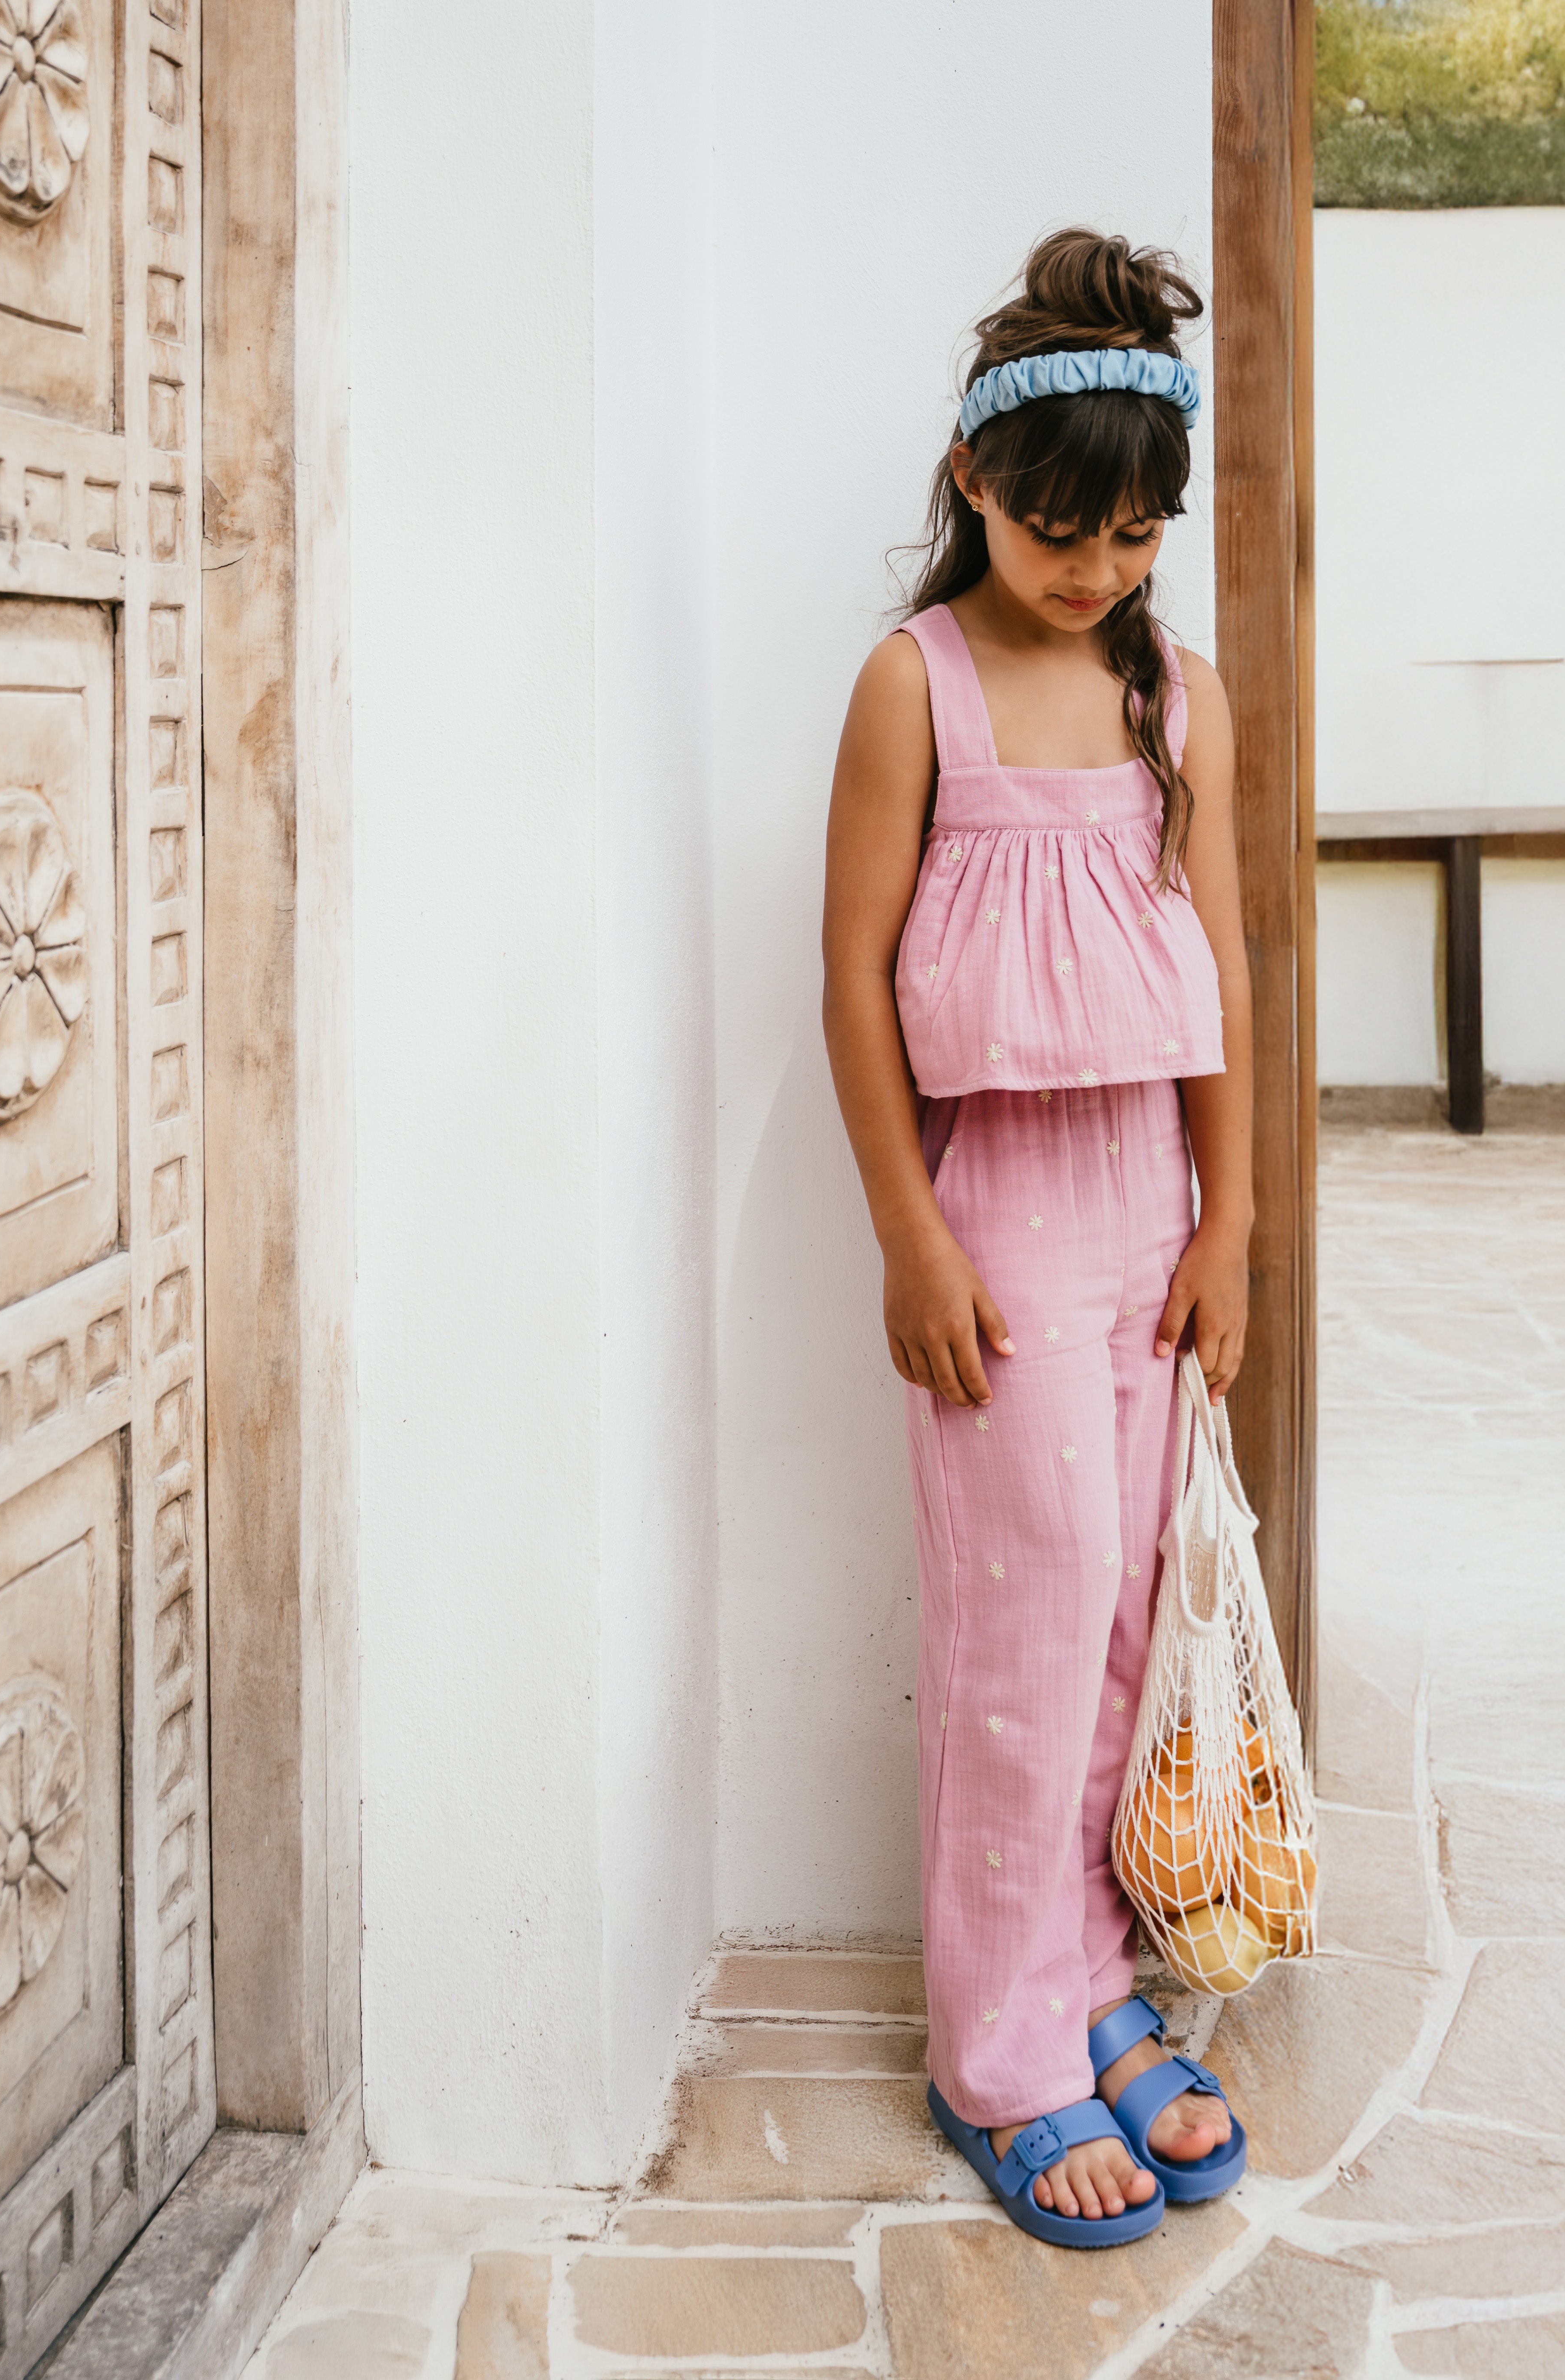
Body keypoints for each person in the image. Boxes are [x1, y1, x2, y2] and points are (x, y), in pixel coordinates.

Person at [821, 228, 1254, 2247]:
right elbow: (848, 974)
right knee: (1019, 1619)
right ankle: (998, 2047)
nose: (1095, 569)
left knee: (1114, 1617)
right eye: (1062, 525)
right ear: (976, 486)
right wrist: (909, 1234)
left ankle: (1092, 1984)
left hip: (1148, 1213)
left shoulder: (1180, 693)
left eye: (1136, 532)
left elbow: (1225, 963)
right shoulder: (915, 689)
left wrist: (1233, 1221)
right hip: (991, 1208)